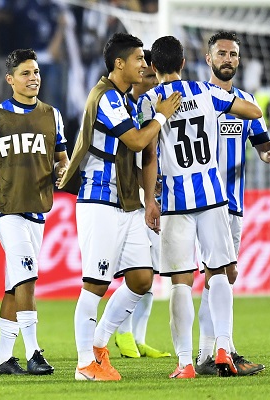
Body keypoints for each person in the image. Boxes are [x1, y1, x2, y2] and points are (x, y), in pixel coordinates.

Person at [57, 32, 181, 381]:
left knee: (142, 279)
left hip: (126, 203)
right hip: (100, 201)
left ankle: (98, 345)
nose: (146, 64)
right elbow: (138, 140)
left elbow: (143, 155)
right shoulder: (106, 97)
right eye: (140, 59)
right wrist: (160, 116)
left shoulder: (125, 99)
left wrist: (149, 200)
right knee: (95, 284)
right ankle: (84, 364)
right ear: (119, 64)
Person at [138, 35, 262, 379]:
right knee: (219, 272)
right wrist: (228, 102)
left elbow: (148, 154)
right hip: (212, 196)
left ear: (152, 66)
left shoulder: (148, 102)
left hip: (176, 203)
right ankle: (223, 347)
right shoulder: (205, 92)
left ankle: (185, 363)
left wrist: (151, 200)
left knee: (180, 283)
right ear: (182, 63)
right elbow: (254, 111)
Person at [0, 48, 65, 376]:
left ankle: (3, 359)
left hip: (37, 209)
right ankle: (34, 351)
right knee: (27, 274)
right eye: (25, 73)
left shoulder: (52, 115)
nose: (33, 77)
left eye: (35, 72)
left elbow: (62, 160)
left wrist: (63, 171)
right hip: (4, 208)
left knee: (13, 284)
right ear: (10, 80)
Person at [194, 31, 270, 377]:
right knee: (221, 274)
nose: (228, 59)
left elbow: (261, 145)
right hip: (200, 202)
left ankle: (206, 352)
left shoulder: (246, 103)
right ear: (208, 59)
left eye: (233, 54)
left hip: (234, 204)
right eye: (222, 54)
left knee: (220, 277)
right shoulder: (197, 98)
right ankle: (221, 350)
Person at [114, 49, 171, 360]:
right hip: (131, 200)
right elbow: (135, 153)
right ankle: (121, 333)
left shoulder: (156, 108)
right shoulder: (129, 110)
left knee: (152, 273)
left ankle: (137, 337)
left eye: (155, 76)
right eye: (149, 75)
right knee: (140, 271)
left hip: (155, 197)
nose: (153, 82)